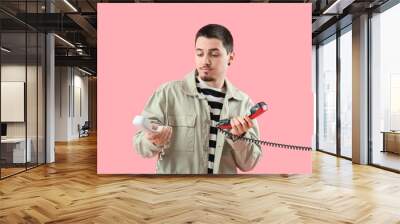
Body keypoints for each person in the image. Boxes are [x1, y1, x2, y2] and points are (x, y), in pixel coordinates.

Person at [134, 24, 262, 174]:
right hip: (176, 193)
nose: (205, 61)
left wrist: (239, 137)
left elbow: (250, 164)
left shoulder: (243, 103)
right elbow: (139, 146)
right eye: (200, 54)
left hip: (221, 194)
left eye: (214, 54)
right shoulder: (167, 93)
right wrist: (153, 141)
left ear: (230, 57)